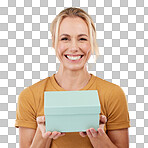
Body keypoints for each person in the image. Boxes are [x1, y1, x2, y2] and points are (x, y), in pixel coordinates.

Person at [15, 7, 130, 148]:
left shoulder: (113, 94)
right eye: (65, 39)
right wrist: (42, 136)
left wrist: (99, 137)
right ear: (54, 42)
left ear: (91, 43)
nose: (74, 47)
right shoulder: (30, 96)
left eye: (82, 39)